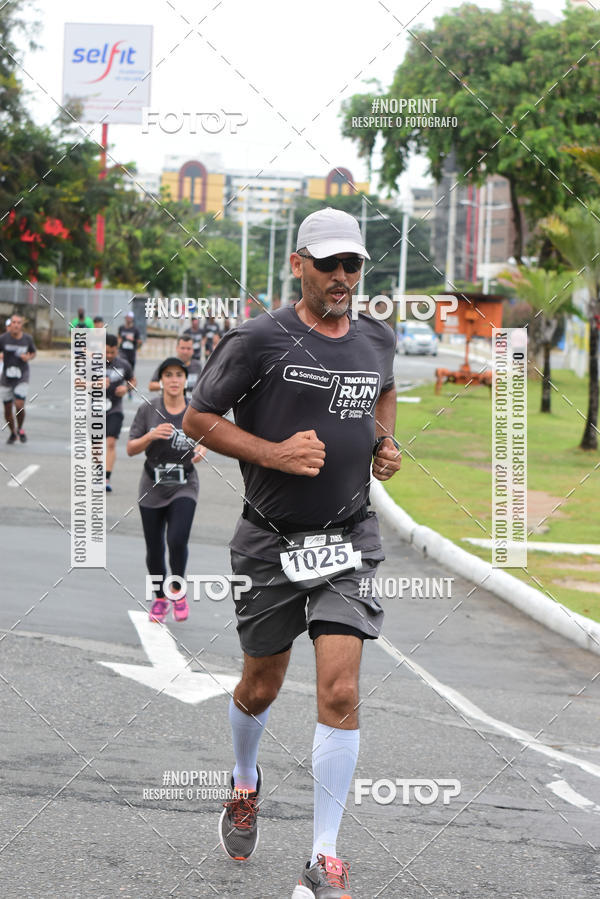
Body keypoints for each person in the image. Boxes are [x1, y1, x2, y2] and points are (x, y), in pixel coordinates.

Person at [183, 207, 402, 898]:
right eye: (329, 263)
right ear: (297, 262)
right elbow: (197, 417)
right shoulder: (258, 338)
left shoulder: (377, 337)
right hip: (270, 541)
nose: (342, 277)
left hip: (348, 536)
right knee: (261, 685)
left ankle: (323, 854)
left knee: (339, 686)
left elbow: (383, 391)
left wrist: (382, 444)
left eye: (353, 265)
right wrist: (273, 452)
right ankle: (244, 781)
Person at [127, 357, 206, 623]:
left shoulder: (194, 411)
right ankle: (160, 598)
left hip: (184, 484)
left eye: (178, 375)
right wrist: (150, 436)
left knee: (176, 539)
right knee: (155, 548)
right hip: (152, 486)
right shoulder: (148, 410)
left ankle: (177, 591)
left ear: (185, 380)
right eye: (168, 375)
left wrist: (203, 448)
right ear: (161, 380)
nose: (174, 379)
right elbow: (130, 449)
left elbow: (209, 436)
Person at [105, 333, 136, 492]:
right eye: (107, 352)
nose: (109, 355)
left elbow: (132, 380)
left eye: (113, 352)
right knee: (97, 445)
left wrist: (126, 388)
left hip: (115, 408)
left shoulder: (124, 364)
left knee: (111, 442)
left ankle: (106, 477)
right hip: (94, 410)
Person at [0, 313, 36, 444]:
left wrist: (29, 357)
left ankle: (20, 428)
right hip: (6, 377)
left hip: (22, 375)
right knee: (7, 408)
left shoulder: (27, 339)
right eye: (13, 322)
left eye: (18, 322)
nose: (15, 325)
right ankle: (13, 432)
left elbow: (33, 353)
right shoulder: (3, 338)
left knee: (19, 404)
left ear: (22, 325)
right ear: (11, 325)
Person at [148, 335, 202, 401]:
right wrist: (168, 384)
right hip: (171, 404)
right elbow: (151, 386)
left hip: (191, 406)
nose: (185, 352)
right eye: (182, 348)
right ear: (177, 348)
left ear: (193, 350)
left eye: (188, 348)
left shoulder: (198, 366)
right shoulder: (168, 364)